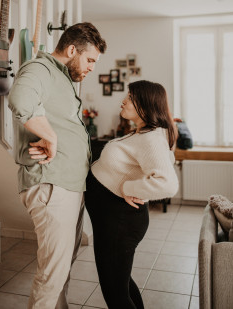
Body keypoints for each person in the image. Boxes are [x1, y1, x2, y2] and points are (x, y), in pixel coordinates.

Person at [8, 22, 107, 309]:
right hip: (52, 185)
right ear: (72, 49)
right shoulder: (40, 69)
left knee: (62, 270)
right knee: (52, 273)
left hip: (67, 185)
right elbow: (20, 99)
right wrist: (49, 136)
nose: (91, 68)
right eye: (89, 60)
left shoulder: (62, 78)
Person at [85, 80, 179, 309]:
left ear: (145, 105)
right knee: (120, 284)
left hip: (120, 222)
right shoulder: (144, 133)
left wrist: (128, 188)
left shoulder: (151, 138)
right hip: (113, 220)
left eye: (130, 97)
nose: (123, 100)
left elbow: (167, 184)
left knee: (114, 291)